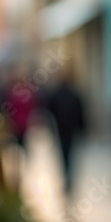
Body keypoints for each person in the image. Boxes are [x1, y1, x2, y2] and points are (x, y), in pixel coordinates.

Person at [44, 69, 86, 198]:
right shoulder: (74, 94)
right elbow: (81, 112)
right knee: (69, 155)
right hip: (70, 130)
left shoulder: (57, 94)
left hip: (61, 130)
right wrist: (82, 128)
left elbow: (49, 109)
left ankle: (67, 177)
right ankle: (68, 178)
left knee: (64, 155)